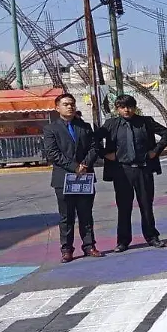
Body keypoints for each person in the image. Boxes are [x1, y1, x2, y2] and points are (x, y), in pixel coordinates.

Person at [101, 94, 167, 252]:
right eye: (122, 107)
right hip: (122, 171)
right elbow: (93, 139)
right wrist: (105, 154)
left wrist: (155, 151)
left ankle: (152, 237)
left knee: (146, 205)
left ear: (135, 107)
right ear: (117, 109)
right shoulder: (111, 124)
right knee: (124, 207)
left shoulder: (145, 122)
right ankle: (123, 241)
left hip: (143, 168)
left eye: (130, 107)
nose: (126, 110)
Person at [42, 93, 102, 262]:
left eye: (72, 104)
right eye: (66, 104)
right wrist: (74, 167)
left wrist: (85, 164)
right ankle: (67, 249)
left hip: (84, 177)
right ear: (57, 108)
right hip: (64, 178)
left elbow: (94, 148)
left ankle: (89, 245)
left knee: (86, 214)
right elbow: (53, 153)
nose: (70, 107)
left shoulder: (85, 127)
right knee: (66, 216)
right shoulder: (51, 129)